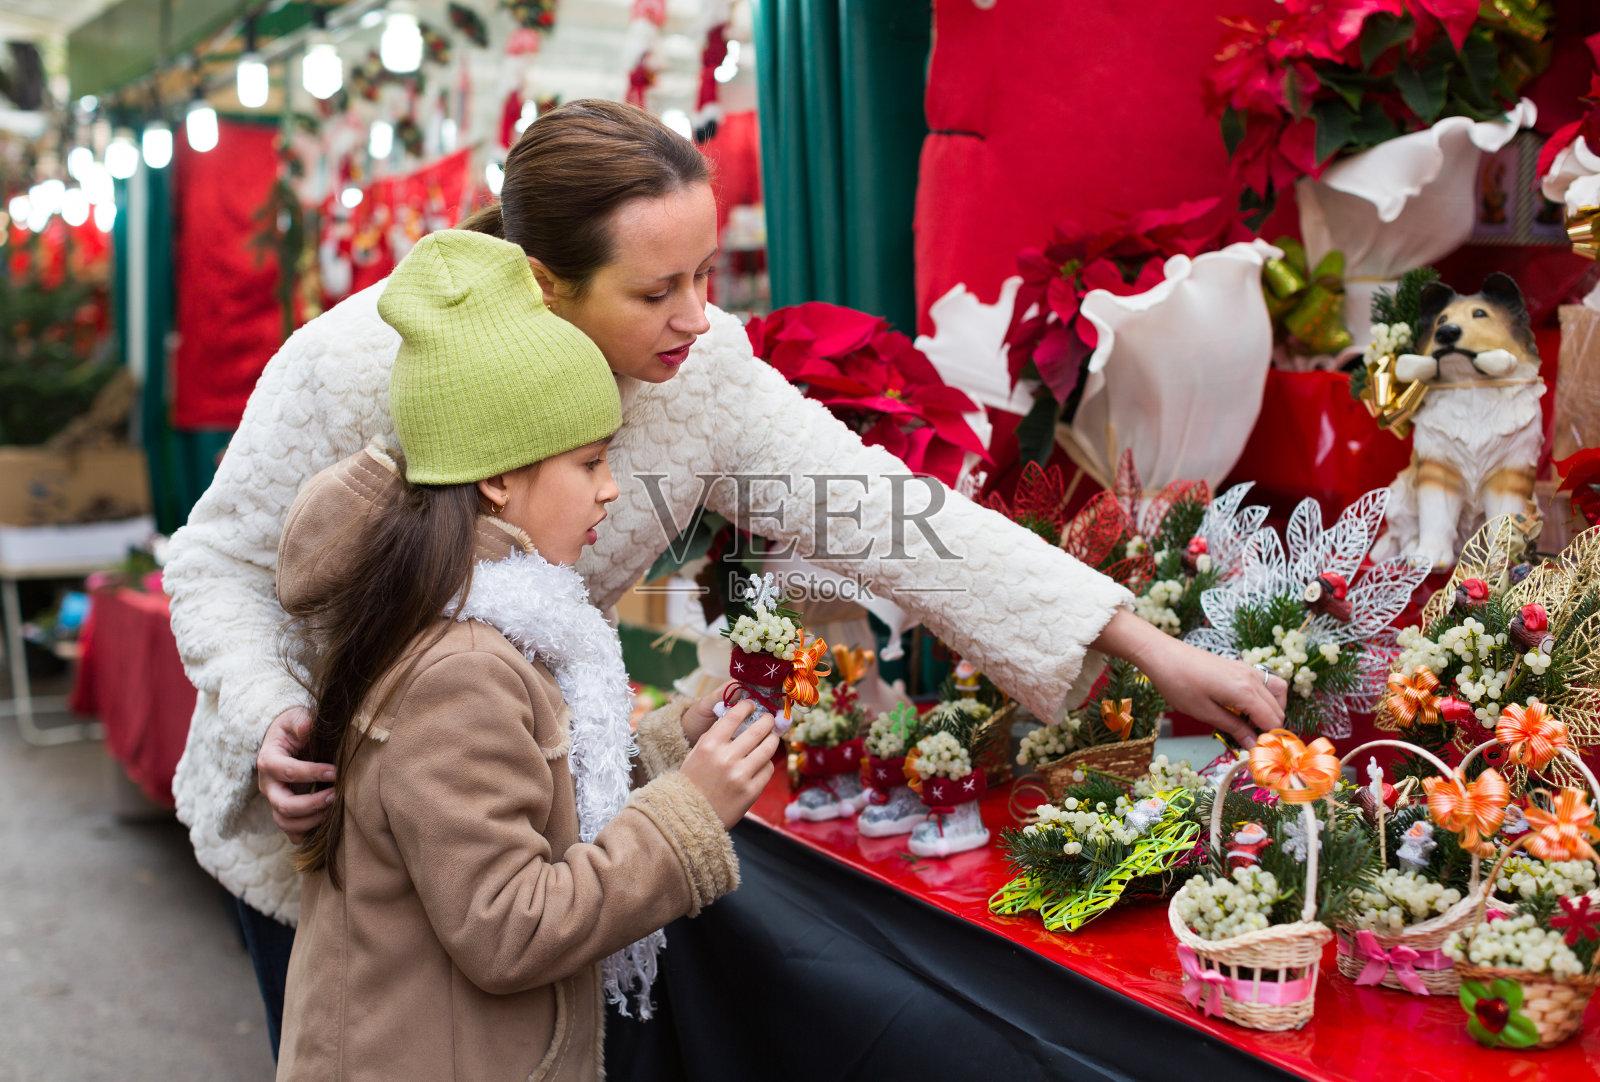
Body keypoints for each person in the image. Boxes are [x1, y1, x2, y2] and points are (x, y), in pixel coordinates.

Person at [164, 99, 1286, 1055]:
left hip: (510, 810)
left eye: (705, 272)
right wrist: (272, 711)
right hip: (309, 810)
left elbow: (895, 517)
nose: (698, 315)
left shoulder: (704, 376)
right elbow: (220, 558)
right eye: (658, 290)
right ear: (546, 285)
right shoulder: (366, 360)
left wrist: (1148, 644)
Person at [273, 228, 773, 1080]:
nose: (611, 488)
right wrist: (685, 814)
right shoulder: (462, 668)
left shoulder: (483, 622)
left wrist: (670, 748)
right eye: (589, 462)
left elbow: (527, 804)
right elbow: (509, 926)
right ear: (498, 480)